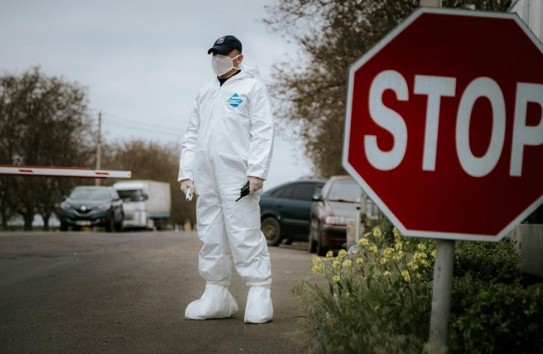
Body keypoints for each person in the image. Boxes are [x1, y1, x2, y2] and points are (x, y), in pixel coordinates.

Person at [177, 35, 274, 324]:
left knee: (244, 233)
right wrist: (186, 173)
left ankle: (259, 293)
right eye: (214, 54)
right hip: (206, 178)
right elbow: (192, 135)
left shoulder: (252, 88)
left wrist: (257, 171)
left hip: (237, 177)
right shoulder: (205, 92)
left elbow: (263, 131)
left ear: (238, 58)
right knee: (210, 235)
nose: (216, 60)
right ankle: (216, 293)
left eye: (222, 54)